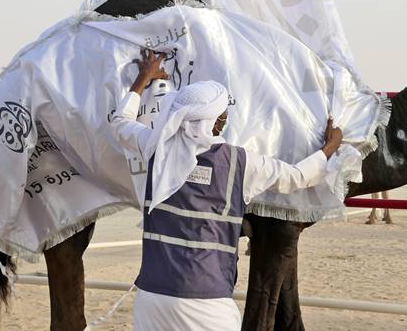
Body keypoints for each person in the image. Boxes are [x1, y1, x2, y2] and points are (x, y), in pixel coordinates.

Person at [110, 50, 343, 331]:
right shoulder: (240, 163)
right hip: (207, 304)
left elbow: (120, 124)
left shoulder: (156, 148)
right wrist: (330, 147)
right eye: (224, 113)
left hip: (152, 300)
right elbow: (298, 177)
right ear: (217, 122)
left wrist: (142, 79)